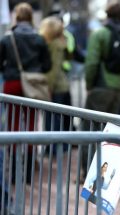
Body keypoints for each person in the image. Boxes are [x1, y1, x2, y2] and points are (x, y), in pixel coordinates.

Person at [0, 2, 51, 183]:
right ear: (30, 17)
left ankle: (14, 173)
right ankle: (28, 173)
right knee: (31, 126)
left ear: (16, 17)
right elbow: (48, 65)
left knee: (12, 127)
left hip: (12, 84)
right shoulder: (39, 39)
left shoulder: (7, 39)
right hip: (33, 85)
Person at [82, 2, 120, 179]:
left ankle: (87, 173)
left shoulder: (100, 34)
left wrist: (89, 85)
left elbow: (92, 63)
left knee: (91, 130)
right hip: (118, 90)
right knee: (112, 134)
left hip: (100, 88)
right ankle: (106, 173)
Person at [39, 16, 72, 152]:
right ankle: (60, 147)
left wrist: (48, 88)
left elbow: (53, 69)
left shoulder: (53, 44)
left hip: (56, 87)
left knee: (51, 120)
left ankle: (53, 148)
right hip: (62, 85)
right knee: (58, 119)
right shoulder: (61, 42)